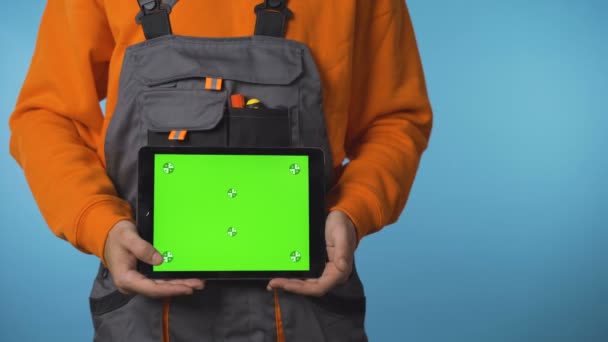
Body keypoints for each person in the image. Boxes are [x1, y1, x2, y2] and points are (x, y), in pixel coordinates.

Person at [9, 0, 432, 341]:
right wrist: (99, 224)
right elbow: (47, 116)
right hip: (145, 306)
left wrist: (353, 212)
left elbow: (395, 119)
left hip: (306, 301)